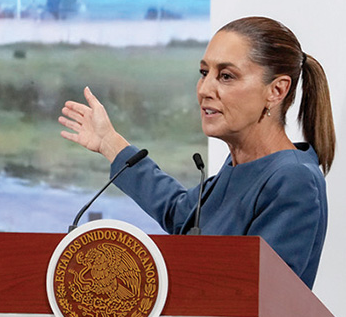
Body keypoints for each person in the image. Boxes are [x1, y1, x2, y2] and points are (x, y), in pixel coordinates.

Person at [58, 16, 334, 288]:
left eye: (226, 76)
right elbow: (180, 213)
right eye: (204, 73)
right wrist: (110, 143)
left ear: (276, 90)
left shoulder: (293, 179)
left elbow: (258, 293)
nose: (204, 89)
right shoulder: (238, 168)